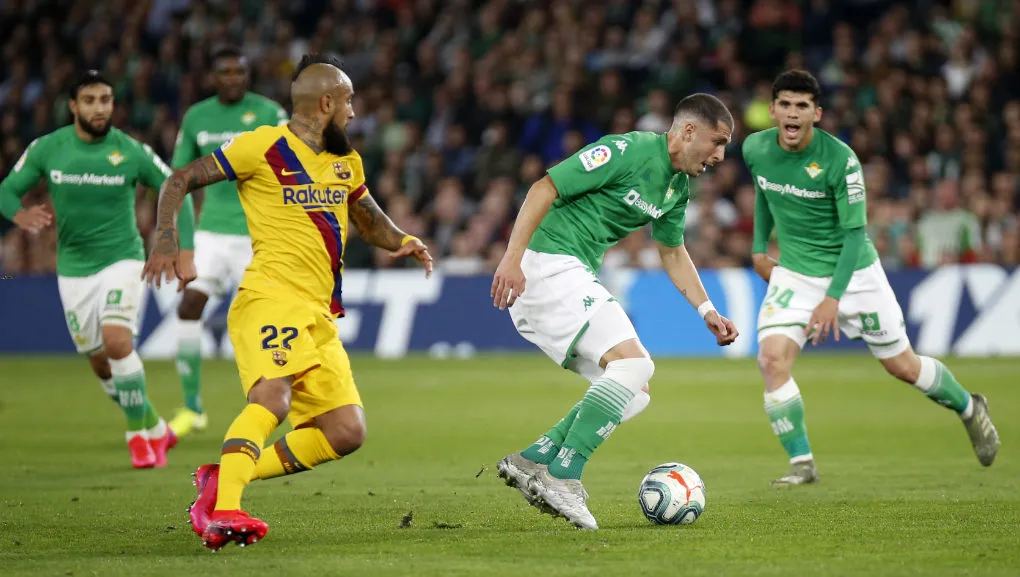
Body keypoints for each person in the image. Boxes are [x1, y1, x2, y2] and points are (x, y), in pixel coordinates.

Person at [142, 54, 433, 551]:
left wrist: (401, 239)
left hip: (318, 312)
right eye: (348, 102)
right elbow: (180, 179)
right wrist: (167, 237)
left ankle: (224, 478)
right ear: (326, 103)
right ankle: (223, 511)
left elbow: (366, 218)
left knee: (345, 430)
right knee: (271, 400)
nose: (354, 113)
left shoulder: (346, 162)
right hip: (269, 299)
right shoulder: (262, 147)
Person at [491, 93, 739, 530]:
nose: (720, 156)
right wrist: (513, 257)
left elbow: (672, 251)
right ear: (687, 132)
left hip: (564, 275)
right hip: (547, 264)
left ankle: (534, 459)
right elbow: (544, 187)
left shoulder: (677, 188)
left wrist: (707, 309)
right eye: (717, 142)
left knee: (634, 391)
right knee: (635, 365)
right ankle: (563, 475)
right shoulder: (628, 151)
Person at [743, 69, 1000, 487]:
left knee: (902, 366)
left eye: (802, 106)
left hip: (856, 274)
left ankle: (969, 407)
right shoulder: (755, 148)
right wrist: (758, 248)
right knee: (771, 360)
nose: (792, 113)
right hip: (795, 272)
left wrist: (833, 298)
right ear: (772, 110)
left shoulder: (840, 161)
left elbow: (854, 234)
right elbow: (765, 193)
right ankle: (802, 463)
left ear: (817, 113)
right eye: (785, 104)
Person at [0, 70, 196, 468]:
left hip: (122, 259)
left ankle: (138, 437)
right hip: (73, 270)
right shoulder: (48, 148)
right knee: (100, 361)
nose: (99, 107)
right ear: (73, 106)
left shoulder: (130, 151)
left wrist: (179, 245)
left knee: (118, 341)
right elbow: (6, 189)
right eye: (89, 100)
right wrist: (18, 215)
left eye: (105, 99)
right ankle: (156, 427)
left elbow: (177, 187)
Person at [169, 46, 289, 438]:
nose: (234, 78)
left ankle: (282, 402)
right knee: (189, 305)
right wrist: (184, 246)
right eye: (226, 72)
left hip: (260, 236)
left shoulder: (270, 113)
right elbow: (179, 181)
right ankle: (192, 408)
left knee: (270, 321)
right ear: (213, 76)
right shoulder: (196, 117)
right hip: (211, 235)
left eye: (240, 71)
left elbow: (294, 171)